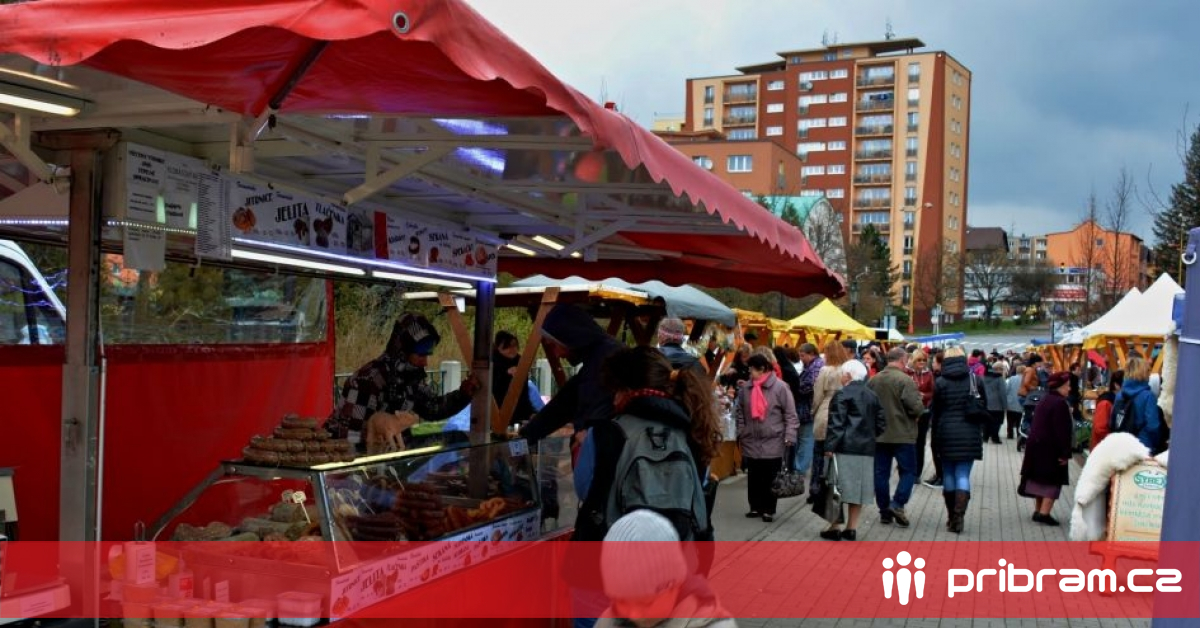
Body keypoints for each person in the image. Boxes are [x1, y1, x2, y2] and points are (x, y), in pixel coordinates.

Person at [570, 347, 722, 627]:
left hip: (605, 573)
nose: (613, 398)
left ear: (626, 390)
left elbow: (584, 490)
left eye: (615, 391)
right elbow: (700, 489)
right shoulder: (694, 431)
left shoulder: (605, 433)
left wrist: (582, 447)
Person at [327, 313, 479, 452]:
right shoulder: (368, 380)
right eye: (420, 354)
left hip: (386, 451)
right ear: (403, 350)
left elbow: (433, 408)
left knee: (456, 438)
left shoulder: (410, 376)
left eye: (427, 354)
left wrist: (463, 394)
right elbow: (350, 438)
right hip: (346, 454)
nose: (425, 362)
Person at [596, 510, 737, 628]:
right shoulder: (609, 621)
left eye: (646, 602)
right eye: (622, 601)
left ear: (675, 584)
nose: (634, 615)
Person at [520, 304, 624, 442]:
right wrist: (528, 434)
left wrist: (584, 438)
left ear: (570, 336)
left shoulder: (605, 361)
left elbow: (593, 413)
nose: (557, 354)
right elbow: (564, 403)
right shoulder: (597, 359)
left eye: (554, 345)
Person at [820, 360, 886, 541]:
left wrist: (829, 446)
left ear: (848, 375)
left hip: (844, 448)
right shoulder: (872, 395)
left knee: (836, 488)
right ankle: (851, 528)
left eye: (842, 373)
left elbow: (836, 423)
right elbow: (881, 423)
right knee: (858, 489)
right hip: (866, 449)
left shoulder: (842, 395)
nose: (841, 377)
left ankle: (834, 527)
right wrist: (870, 435)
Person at [734, 354, 799, 523]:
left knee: (770, 475)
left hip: (774, 438)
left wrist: (790, 435)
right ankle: (755, 506)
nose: (749, 374)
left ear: (762, 369)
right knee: (754, 475)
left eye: (752, 370)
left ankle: (769, 509)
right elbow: (740, 411)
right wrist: (741, 430)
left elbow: (790, 414)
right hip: (751, 438)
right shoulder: (746, 388)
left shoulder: (780, 387)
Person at [867, 348, 925, 528]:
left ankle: (884, 511)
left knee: (880, 473)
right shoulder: (905, 380)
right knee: (909, 471)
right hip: (903, 433)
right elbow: (916, 407)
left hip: (880, 434)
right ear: (902, 360)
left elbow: (868, 406)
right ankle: (897, 503)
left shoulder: (874, 380)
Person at [930, 347, 984, 533]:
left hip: (946, 432)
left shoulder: (940, 382)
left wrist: (935, 436)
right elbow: (983, 406)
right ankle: (959, 515)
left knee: (948, 474)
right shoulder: (975, 380)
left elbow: (935, 411)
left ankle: (951, 515)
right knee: (963, 474)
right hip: (970, 433)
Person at [1020, 371, 1074, 526]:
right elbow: (1062, 431)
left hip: (1037, 446)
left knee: (1039, 480)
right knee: (1052, 481)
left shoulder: (1045, 399)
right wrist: (1065, 453)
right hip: (1051, 449)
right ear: (1060, 386)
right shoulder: (1060, 403)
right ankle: (1044, 514)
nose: (1069, 389)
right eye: (1067, 385)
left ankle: (1038, 510)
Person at [809, 339, 849, 498]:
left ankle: (816, 489)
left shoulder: (825, 371)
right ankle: (837, 487)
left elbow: (818, 395)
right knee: (838, 454)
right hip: (843, 413)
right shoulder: (846, 370)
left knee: (819, 453)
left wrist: (813, 411)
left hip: (825, 411)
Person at [1112, 354, 1167, 455]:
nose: (1149, 374)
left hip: (1122, 447)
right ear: (1143, 372)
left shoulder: (1119, 395)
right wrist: (1157, 444)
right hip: (1143, 448)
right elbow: (1153, 426)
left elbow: (1112, 422)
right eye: (1148, 371)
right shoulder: (1148, 396)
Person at [492, 331, 538, 426]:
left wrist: (529, 413)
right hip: (497, 415)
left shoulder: (520, 362)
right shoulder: (491, 364)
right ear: (498, 347)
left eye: (514, 346)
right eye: (507, 346)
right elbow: (494, 392)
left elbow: (523, 394)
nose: (512, 349)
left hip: (520, 413)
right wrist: (506, 374)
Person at [792, 343, 823, 479]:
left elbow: (811, 385)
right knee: (804, 439)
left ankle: (799, 468)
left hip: (808, 409)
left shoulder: (815, 366)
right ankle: (799, 467)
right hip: (807, 408)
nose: (801, 358)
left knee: (806, 439)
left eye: (803, 355)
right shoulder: (812, 365)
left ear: (811, 354)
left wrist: (797, 388)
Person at [906, 349, 935, 485]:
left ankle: (917, 472)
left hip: (923, 411)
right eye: (919, 360)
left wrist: (924, 395)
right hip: (908, 412)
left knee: (920, 442)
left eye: (924, 360)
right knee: (907, 442)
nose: (922, 362)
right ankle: (906, 469)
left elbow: (933, 392)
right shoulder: (906, 373)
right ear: (913, 361)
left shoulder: (929, 374)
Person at [923, 349, 947, 487]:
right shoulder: (938, 376)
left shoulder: (940, 379)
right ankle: (939, 474)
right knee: (936, 447)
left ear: (940, 363)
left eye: (934, 362)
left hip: (940, 418)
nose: (932, 364)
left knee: (937, 447)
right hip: (940, 418)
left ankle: (941, 475)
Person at [1089, 370, 1124, 451]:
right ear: (1116, 385)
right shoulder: (1106, 403)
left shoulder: (1114, 401)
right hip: (1101, 449)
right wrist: (1115, 441)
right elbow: (1100, 429)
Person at [983, 361, 1008, 445]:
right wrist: (1005, 406)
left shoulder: (985, 376)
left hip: (986, 403)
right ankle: (995, 438)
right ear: (999, 369)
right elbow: (1002, 393)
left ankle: (985, 437)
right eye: (1002, 369)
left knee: (987, 421)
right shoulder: (999, 378)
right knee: (997, 422)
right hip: (997, 404)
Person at [1005, 365, 1026, 440]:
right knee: (1019, 420)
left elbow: (1007, 390)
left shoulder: (1011, 378)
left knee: (1010, 420)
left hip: (1011, 402)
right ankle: (1018, 434)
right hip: (1021, 403)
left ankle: (1010, 434)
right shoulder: (1025, 379)